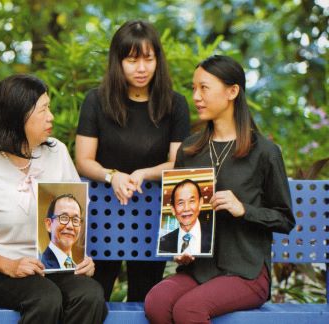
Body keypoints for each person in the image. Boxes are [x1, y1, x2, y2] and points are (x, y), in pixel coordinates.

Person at [144, 55, 295, 323]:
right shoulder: (190, 150)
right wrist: (180, 247)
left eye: (204, 88)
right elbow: (179, 219)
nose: (196, 96)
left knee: (189, 309)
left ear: (232, 91)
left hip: (246, 272)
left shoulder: (265, 152)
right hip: (199, 270)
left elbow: (284, 219)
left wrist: (243, 210)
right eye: (193, 88)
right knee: (156, 303)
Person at [0, 74, 106, 324]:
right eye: (43, 110)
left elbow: (77, 215)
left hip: (53, 264)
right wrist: (9, 266)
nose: (51, 117)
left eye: (49, 108)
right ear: (18, 116)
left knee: (90, 294)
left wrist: (81, 258)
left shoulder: (57, 152)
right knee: (45, 298)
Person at [75, 20, 191, 302]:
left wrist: (144, 173)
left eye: (148, 59)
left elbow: (178, 162)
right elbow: (83, 160)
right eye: (132, 60)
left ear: (158, 60)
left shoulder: (175, 104)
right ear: (118, 61)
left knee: (146, 299)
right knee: (95, 295)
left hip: (152, 213)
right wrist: (112, 176)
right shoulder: (96, 101)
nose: (141, 68)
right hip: (104, 212)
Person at [158, 179, 213, 254]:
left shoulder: (214, 237)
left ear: (200, 203)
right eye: (180, 203)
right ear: (173, 209)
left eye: (191, 201)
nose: (186, 208)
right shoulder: (163, 243)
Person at [42, 194, 83, 270]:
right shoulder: (41, 264)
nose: (70, 226)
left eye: (75, 220)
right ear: (49, 224)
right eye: (64, 218)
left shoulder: (77, 267)